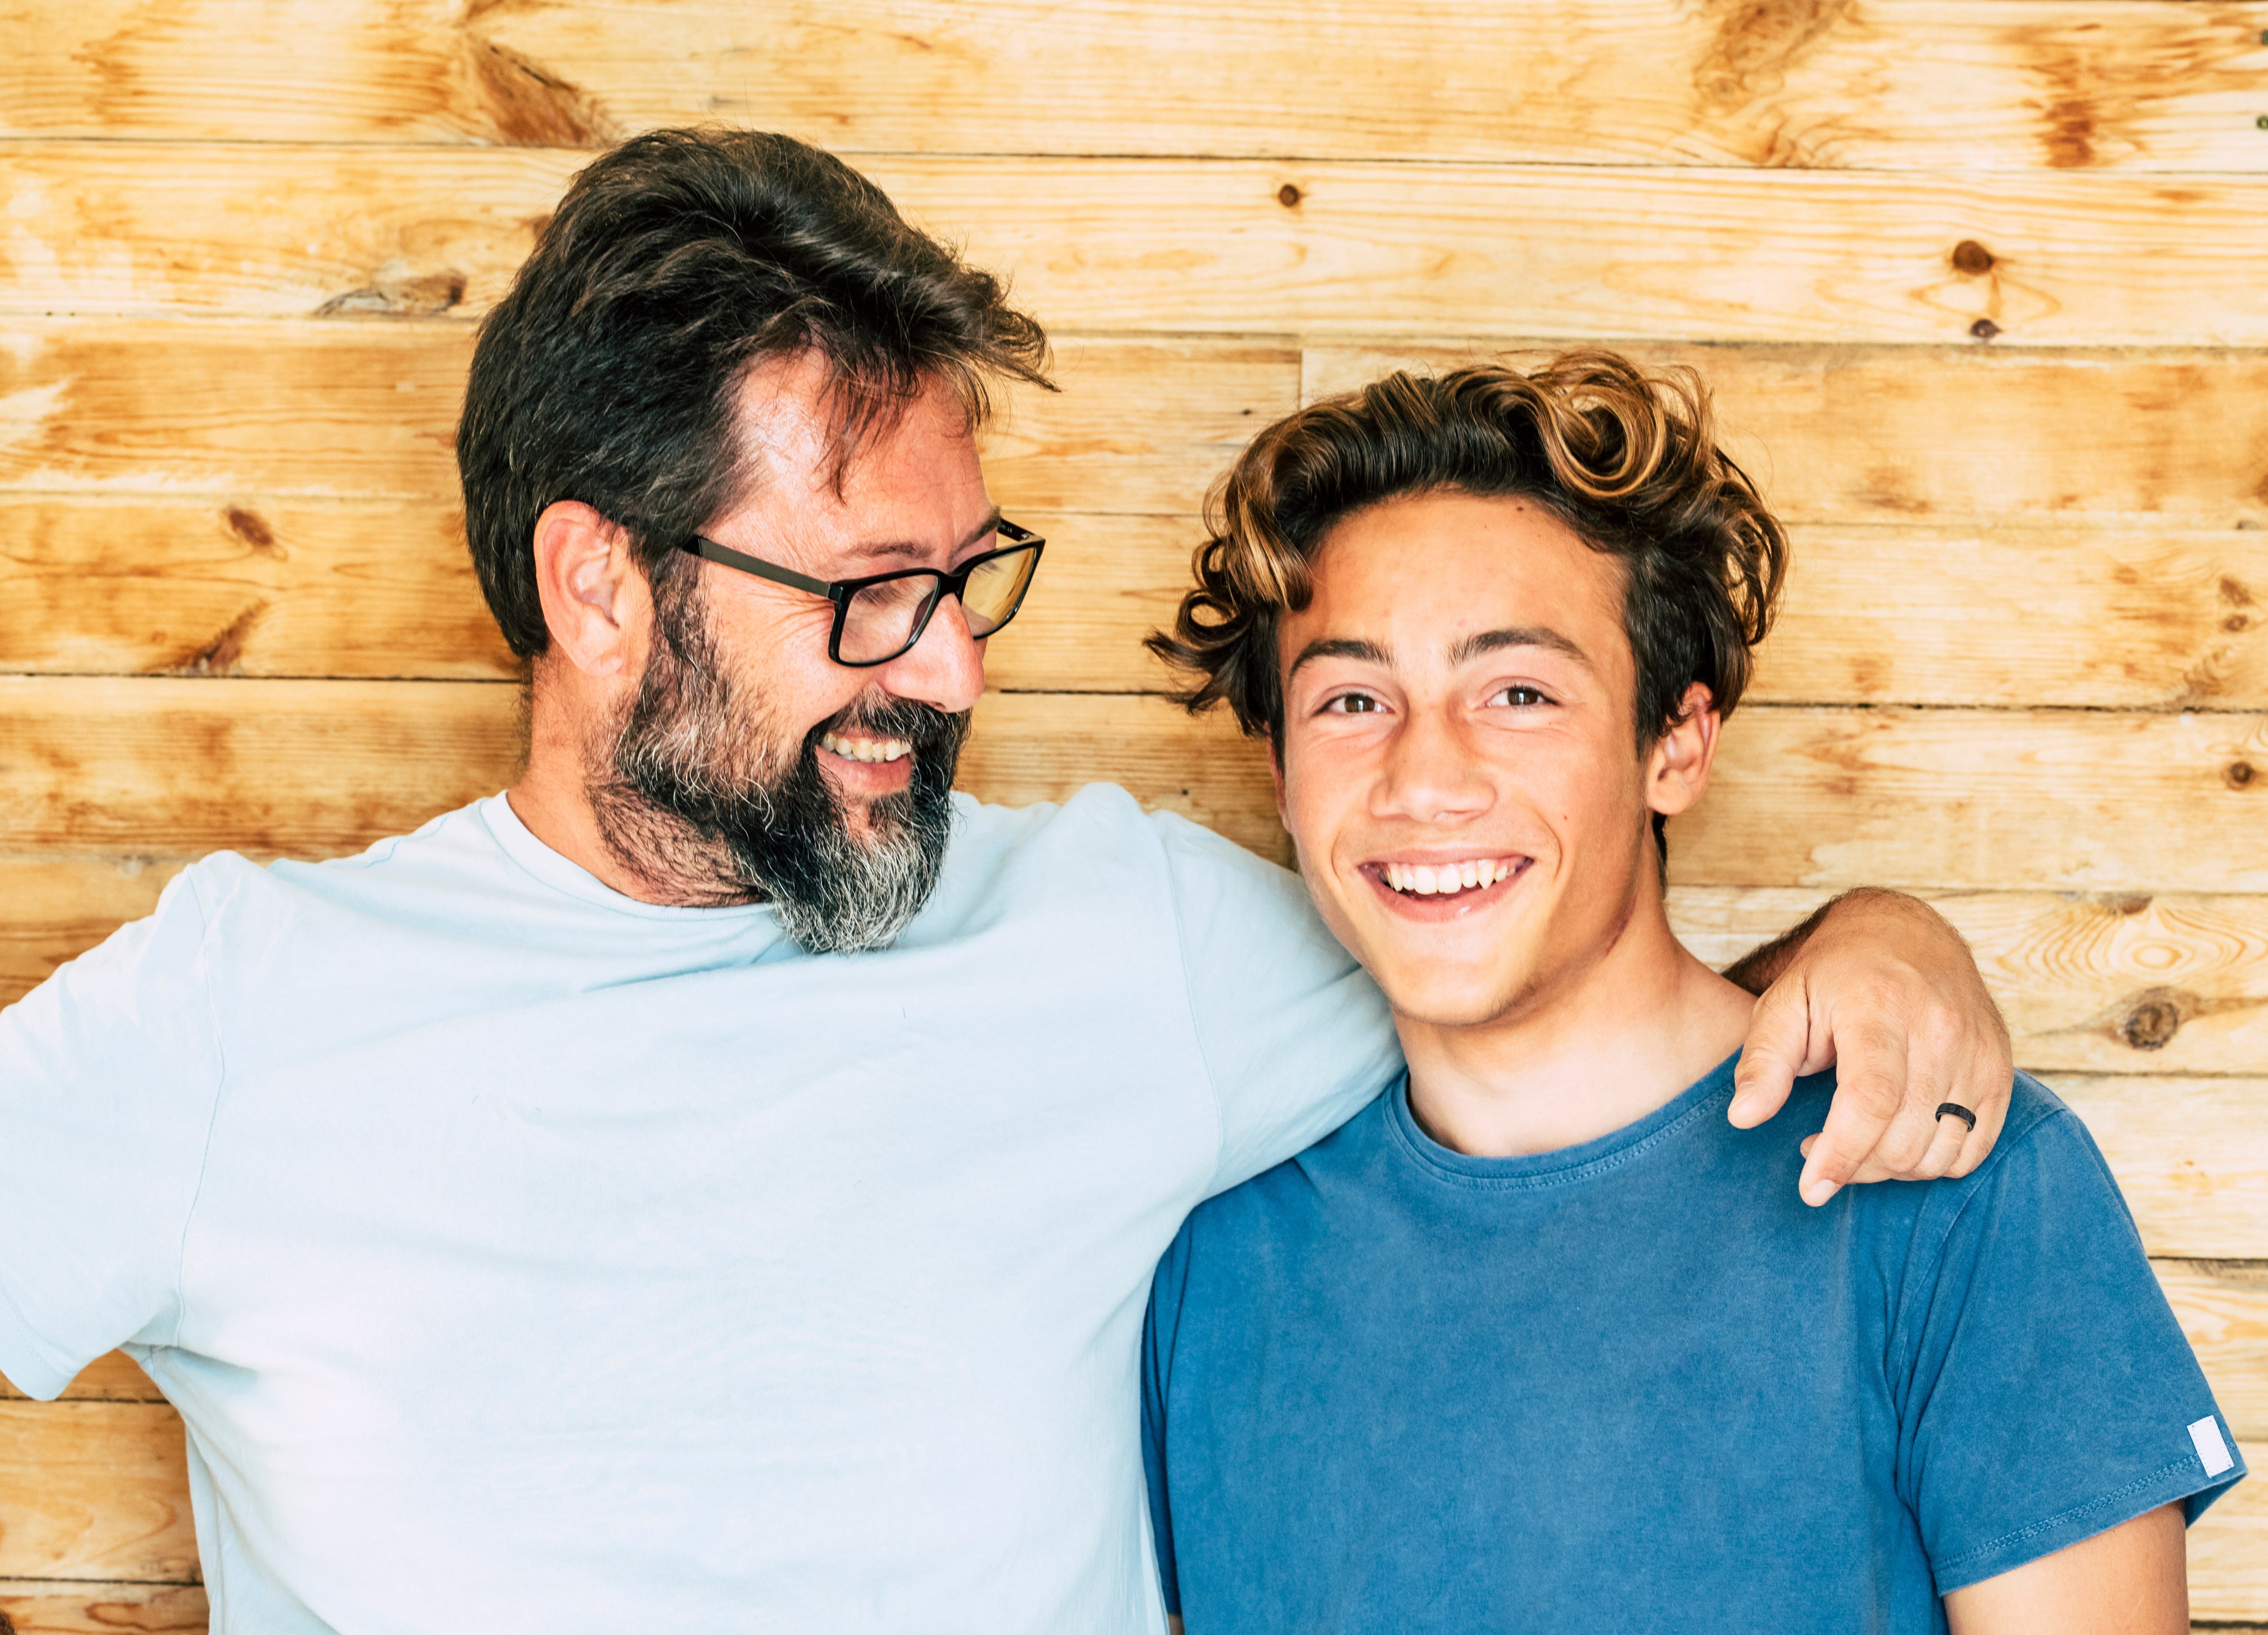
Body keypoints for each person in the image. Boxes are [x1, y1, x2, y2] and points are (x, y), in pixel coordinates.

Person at [3, 130, 2008, 1631]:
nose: (954, 670)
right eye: (875, 596)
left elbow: (1553, 971)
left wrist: (1870, 942)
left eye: (968, 584)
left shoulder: (1123, 938)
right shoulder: (243, 1017)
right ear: (597, 583)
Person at [1140, 351, 2241, 1634]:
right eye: (1351, 698)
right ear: (1280, 771)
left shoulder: (1951, 1186)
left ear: (1677, 744)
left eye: (1517, 692)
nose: (1423, 777)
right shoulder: (1202, 1258)